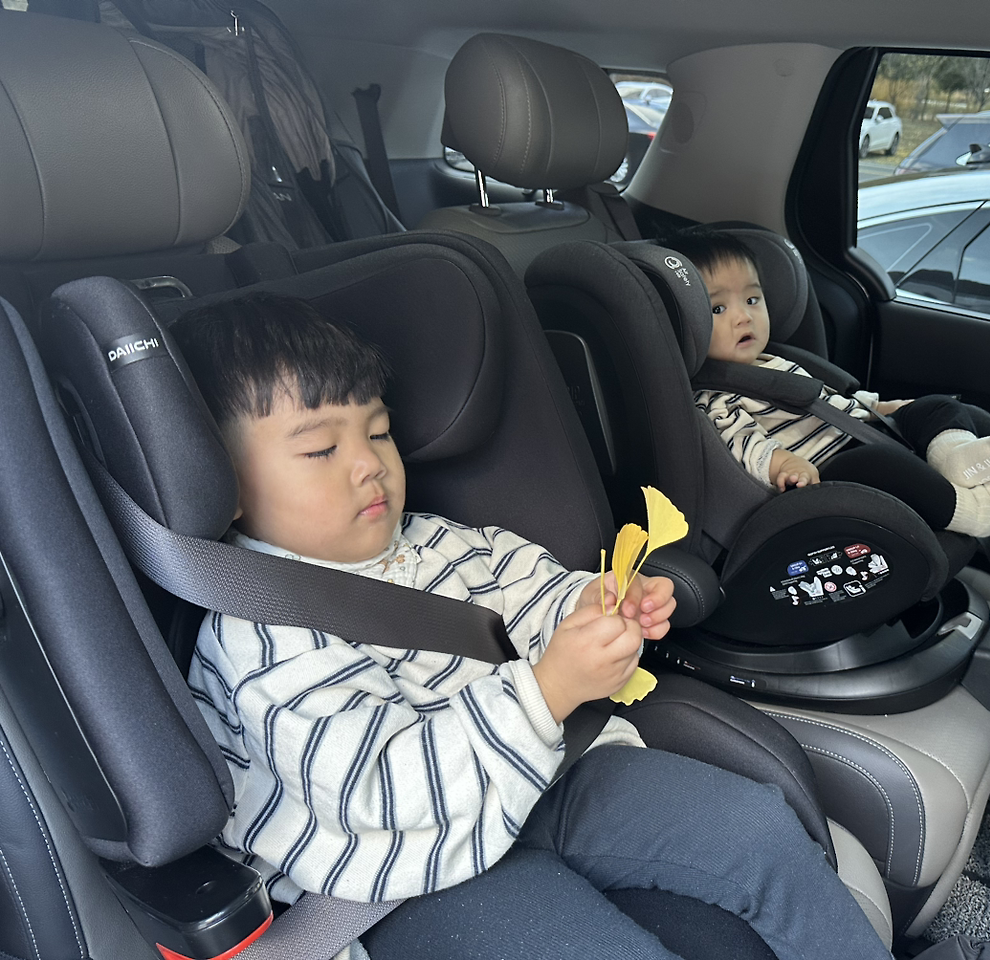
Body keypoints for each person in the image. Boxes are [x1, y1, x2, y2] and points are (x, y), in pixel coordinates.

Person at [172, 293, 890, 960]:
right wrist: (546, 691)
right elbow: (379, 791)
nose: (370, 465)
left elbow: (533, 594)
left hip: (544, 776)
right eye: (320, 450)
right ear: (219, 482)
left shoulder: (439, 542)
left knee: (755, 828)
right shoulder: (258, 638)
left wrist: (599, 606)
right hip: (404, 870)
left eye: (380, 432)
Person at [660, 230, 990, 538]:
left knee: (939, 406)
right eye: (718, 308)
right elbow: (744, 443)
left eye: (752, 299)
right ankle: (978, 512)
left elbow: (828, 403)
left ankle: (956, 459)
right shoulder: (715, 399)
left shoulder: (775, 362)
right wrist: (786, 465)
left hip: (854, 432)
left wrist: (883, 409)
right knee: (883, 464)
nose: (744, 317)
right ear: (684, 325)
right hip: (830, 468)